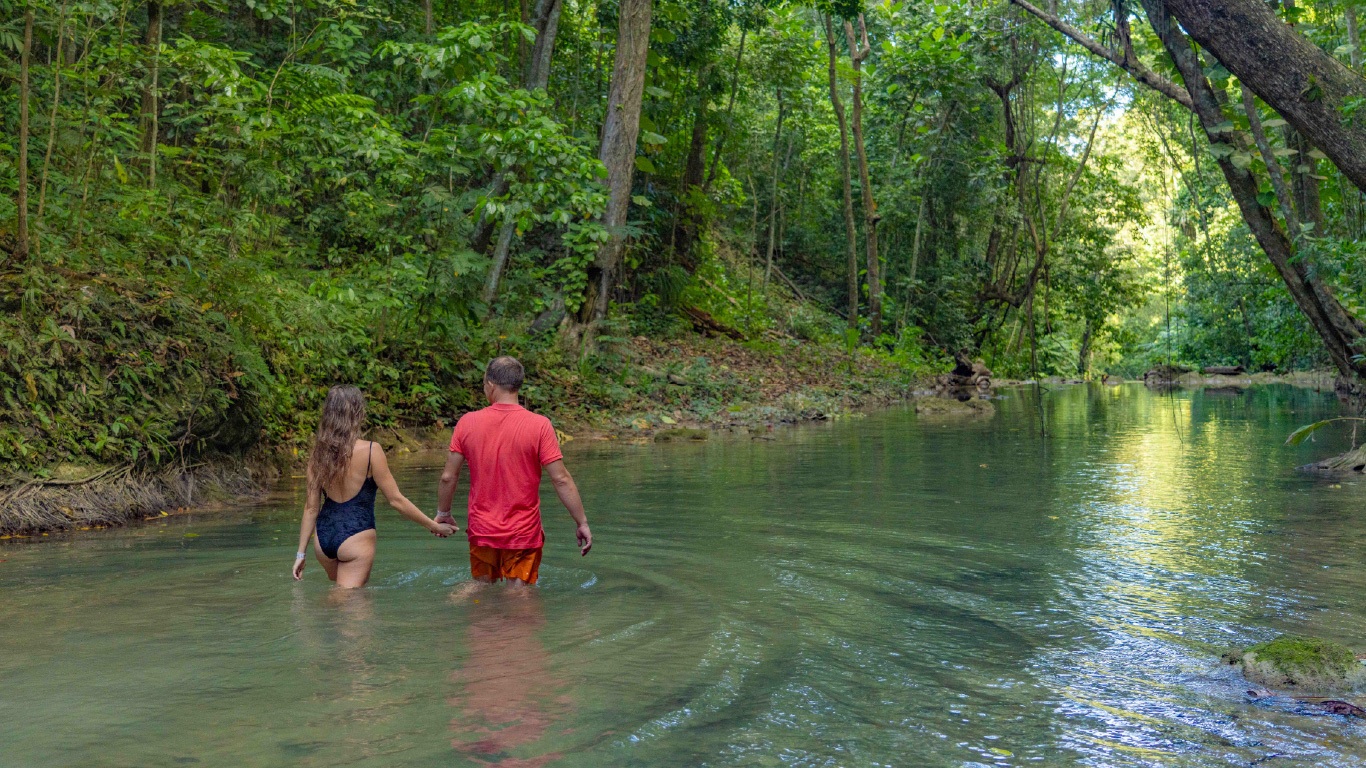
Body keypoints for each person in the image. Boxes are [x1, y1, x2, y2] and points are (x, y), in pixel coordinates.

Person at [435, 357, 591, 586]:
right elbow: (561, 479)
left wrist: (444, 512)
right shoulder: (539, 425)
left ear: (490, 384)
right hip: (523, 532)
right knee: (519, 594)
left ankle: (452, 604)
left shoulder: (467, 423)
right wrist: (581, 522)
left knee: (479, 587)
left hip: (482, 529)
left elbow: (448, 477)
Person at [292, 385, 455, 588]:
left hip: (323, 539)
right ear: (358, 413)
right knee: (349, 600)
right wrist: (433, 525)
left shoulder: (318, 455)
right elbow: (396, 500)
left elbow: (311, 509)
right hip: (356, 537)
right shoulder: (371, 451)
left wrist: (301, 554)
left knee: (345, 594)